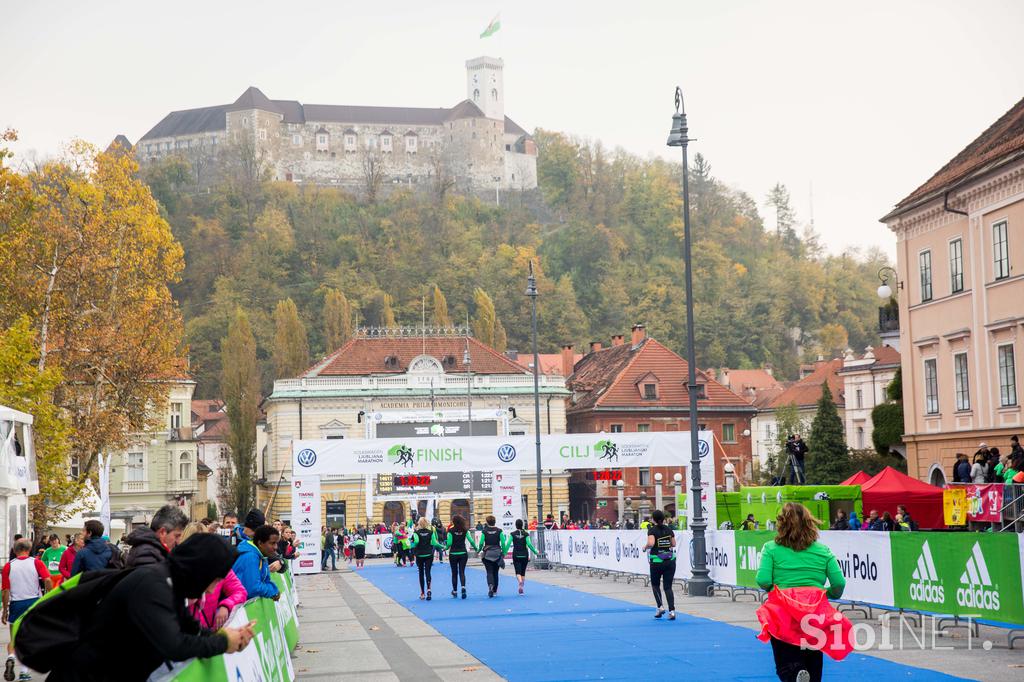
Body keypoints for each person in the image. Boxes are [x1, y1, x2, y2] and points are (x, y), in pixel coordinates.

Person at [48, 533, 255, 682]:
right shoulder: (153, 585)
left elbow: (192, 629)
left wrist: (232, 636)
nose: (211, 591)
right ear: (201, 571)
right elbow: (175, 645)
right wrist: (223, 642)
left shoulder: (171, 583)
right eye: (214, 580)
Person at [755, 503, 850, 682]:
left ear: (781, 523)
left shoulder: (771, 548)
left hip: (782, 611)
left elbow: (763, 580)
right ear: (809, 523)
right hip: (814, 610)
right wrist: (826, 594)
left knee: (785, 658)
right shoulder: (823, 551)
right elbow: (839, 583)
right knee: (813, 654)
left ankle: (795, 671)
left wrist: (774, 590)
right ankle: (807, 673)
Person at [180, 522, 248, 631]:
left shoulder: (220, 566)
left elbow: (240, 591)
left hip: (208, 634)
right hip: (180, 636)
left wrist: (226, 605)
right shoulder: (174, 568)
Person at [3, 538, 52, 681]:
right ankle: (24, 672)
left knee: (14, 638)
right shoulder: (36, 562)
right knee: (30, 637)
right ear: (29, 550)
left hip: (16, 603)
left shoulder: (8, 566)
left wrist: (5, 610)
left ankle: (11, 657)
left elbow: (5, 590)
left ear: (15, 550)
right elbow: (48, 580)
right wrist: (48, 595)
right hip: (34, 602)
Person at [125, 504, 189, 568]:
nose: (178, 542)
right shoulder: (147, 554)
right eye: (176, 536)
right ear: (162, 532)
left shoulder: (151, 550)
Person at [232, 525, 280, 601]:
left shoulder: (261, 555)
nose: (276, 547)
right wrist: (273, 590)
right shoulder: (250, 557)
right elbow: (253, 588)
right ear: (260, 543)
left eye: (276, 543)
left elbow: (263, 581)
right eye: (272, 543)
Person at [645, 509, 676, 620]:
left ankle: (660, 607)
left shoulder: (652, 530)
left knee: (655, 585)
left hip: (657, 561)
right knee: (668, 587)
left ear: (653, 519)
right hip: (670, 560)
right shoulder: (669, 529)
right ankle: (672, 611)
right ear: (663, 518)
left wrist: (645, 546)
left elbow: (651, 543)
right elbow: (673, 544)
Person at [445, 515, 477, 599]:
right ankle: (463, 587)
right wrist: (476, 548)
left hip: (453, 554)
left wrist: (445, 548)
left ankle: (455, 591)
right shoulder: (465, 530)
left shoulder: (450, 531)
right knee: (462, 571)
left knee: (454, 573)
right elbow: (471, 541)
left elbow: (449, 543)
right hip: (463, 553)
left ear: (454, 522)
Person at [411, 518, 443, 600]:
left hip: (420, 555)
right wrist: (443, 547)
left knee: (421, 573)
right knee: (428, 571)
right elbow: (435, 543)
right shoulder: (431, 532)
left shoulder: (416, 533)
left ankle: (422, 593)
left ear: (419, 524)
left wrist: (412, 546)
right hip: (429, 554)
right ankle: (429, 589)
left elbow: (416, 541)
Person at [479, 515, 510, 598]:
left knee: (489, 572)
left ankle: (490, 586)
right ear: (495, 522)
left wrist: (479, 549)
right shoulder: (499, 531)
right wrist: (504, 552)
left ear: (487, 522)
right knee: (496, 572)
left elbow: (481, 542)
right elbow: (503, 543)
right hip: (497, 553)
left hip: (487, 554)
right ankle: (495, 591)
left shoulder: (484, 531)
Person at [509, 519, 539, 595]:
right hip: (524, 554)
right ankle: (521, 587)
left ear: (516, 525)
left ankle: (520, 581)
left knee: (517, 572)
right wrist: (535, 551)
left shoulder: (512, 534)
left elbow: (508, 543)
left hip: (516, 554)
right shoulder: (526, 534)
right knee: (523, 572)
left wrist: (504, 552)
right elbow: (529, 544)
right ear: (522, 525)